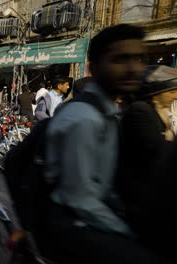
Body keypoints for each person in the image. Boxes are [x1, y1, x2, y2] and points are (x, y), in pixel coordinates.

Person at [40, 24, 171, 264]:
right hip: (72, 223)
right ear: (94, 67)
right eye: (120, 59)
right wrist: (127, 231)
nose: (133, 68)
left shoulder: (107, 111)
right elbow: (80, 199)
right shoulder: (84, 118)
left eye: (139, 58)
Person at [117, 65, 177, 259]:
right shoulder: (140, 111)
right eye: (171, 92)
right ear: (155, 93)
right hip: (138, 201)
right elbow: (159, 150)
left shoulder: (157, 112)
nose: (174, 96)